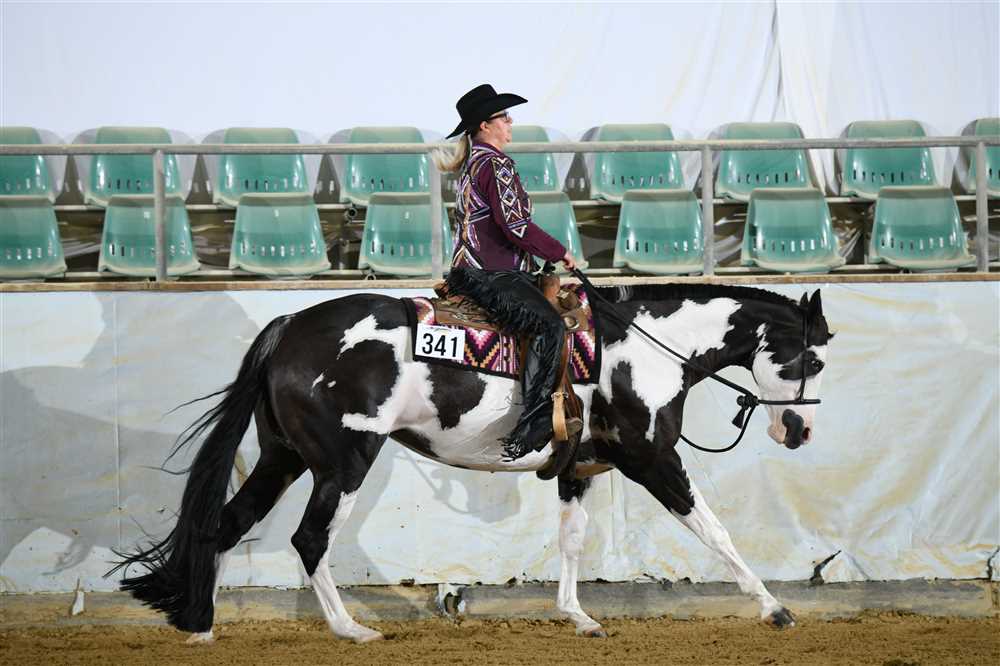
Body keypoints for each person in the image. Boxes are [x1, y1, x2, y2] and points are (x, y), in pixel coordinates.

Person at [435, 83, 580, 461]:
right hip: (492, 275)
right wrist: (559, 251)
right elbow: (515, 226)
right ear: (485, 125)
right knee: (549, 326)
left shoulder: (472, 165)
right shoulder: (496, 165)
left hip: (469, 272)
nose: (510, 121)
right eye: (504, 116)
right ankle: (534, 423)